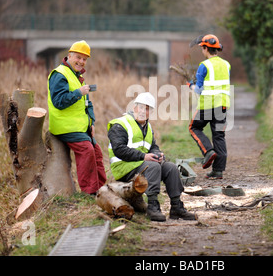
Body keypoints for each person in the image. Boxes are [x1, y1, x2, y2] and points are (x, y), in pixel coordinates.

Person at [107, 92, 196, 222]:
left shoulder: (147, 127)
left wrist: (157, 154)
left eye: (147, 109)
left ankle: (176, 207)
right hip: (124, 168)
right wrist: (144, 156)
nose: (144, 111)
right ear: (134, 108)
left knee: (171, 167)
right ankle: (153, 207)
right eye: (141, 107)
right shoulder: (120, 124)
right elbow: (119, 150)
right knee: (153, 166)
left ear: (151, 112)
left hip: (140, 165)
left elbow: (152, 146)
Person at [47, 40, 106, 195]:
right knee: (87, 150)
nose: (81, 61)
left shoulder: (78, 77)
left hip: (80, 127)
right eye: (78, 57)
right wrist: (78, 92)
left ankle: (101, 190)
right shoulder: (59, 74)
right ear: (69, 56)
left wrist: (91, 122)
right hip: (64, 126)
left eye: (84, 59)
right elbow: (59, 101)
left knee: (97, 152)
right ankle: (89, 191)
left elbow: (88, 104)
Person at [188, 34, 231, 179]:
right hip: (222, 105)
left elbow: (199, 90)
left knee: (194, 127)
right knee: (219, 135)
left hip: (207, 105)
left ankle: (208, 152)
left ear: (206, 48)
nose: (202, 50)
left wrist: (191, 86)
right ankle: (218, 171)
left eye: (202, 48)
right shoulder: (226, 65)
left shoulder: (203, 65)